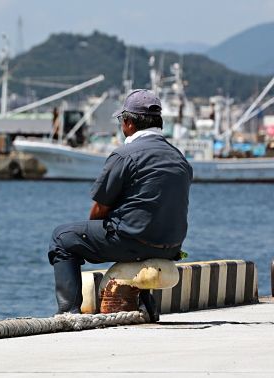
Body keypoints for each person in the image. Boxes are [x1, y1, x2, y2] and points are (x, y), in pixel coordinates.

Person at [47, 89, 193, 320]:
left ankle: (68, 313)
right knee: (134, 229)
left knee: (62, 237)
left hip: (133, 241)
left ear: (128, 123)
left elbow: (100, 209)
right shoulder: (179, 157)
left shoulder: (125, 155)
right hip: (171, 245)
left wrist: (93, 238)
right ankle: (146, 306)